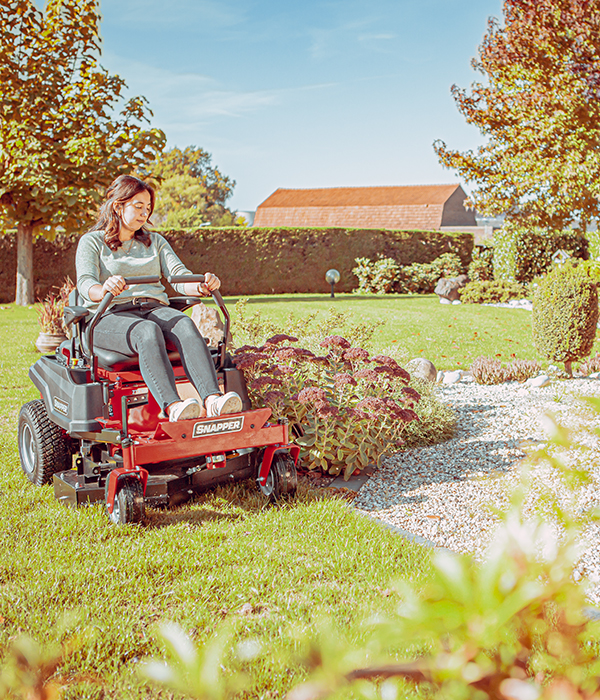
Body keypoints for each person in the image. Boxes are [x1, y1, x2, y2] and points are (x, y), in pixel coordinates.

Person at [75, 174, 242, 422]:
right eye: (138, 207)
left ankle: (213, 399)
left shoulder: (155, 242)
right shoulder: (92, 242)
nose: (145, 214)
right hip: (108, 315)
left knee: (184, 323)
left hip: (152, 307)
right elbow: (85, 282)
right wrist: (105, 289)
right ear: (118, 206)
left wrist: (202, 285)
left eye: (148, 208)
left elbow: (179, 276)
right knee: (147, 330)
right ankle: (173, 406)